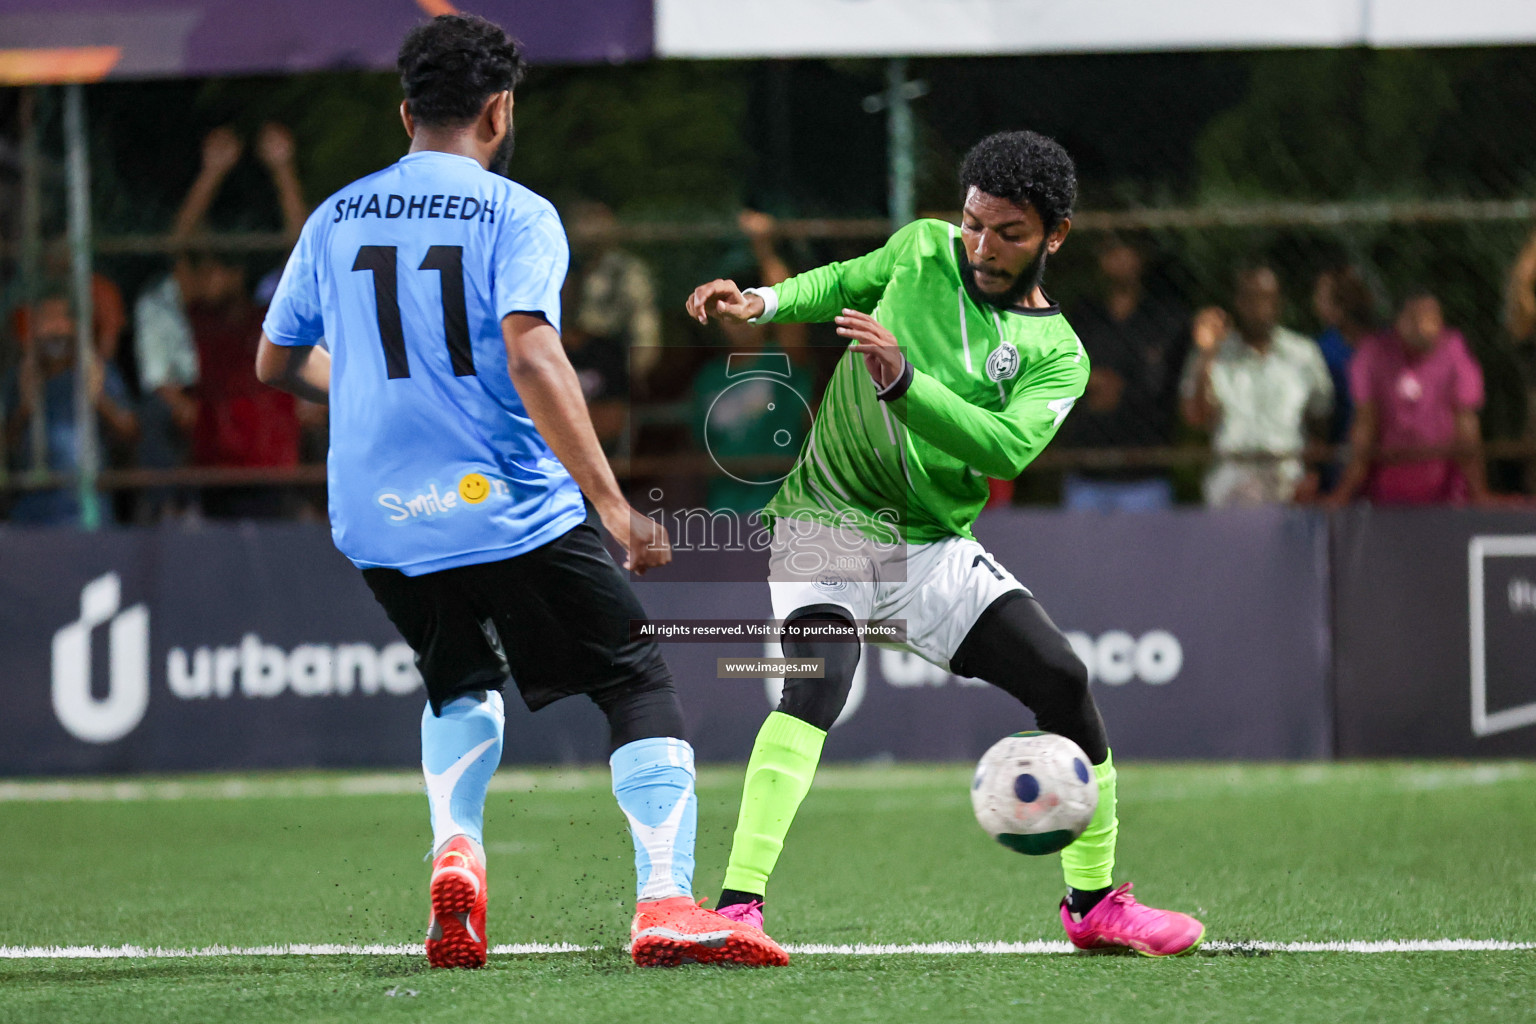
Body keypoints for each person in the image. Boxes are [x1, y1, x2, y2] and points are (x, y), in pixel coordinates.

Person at [254, 13, 786, 971]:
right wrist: (616, 504)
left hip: (378, 519)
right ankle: (666, 900)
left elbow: (275, 361)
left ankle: (456, 848)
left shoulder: (333, 216)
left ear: (406, 111)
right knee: (634, 677)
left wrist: (374, 391)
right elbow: (533, 353)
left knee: (460, 678)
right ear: (499, 110)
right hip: (503, 505)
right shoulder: (517, 213)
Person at [686, 130, 1204, 957]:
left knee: (1064, 681)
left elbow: (1002, 450)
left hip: (929, 544)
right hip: (829, 515)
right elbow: (843, 284)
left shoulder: (1058, 356)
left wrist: (903, 382)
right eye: (974, 224)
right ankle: (735, 910)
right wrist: (764, 301)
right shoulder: (921, 249)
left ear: (1056, 235)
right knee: (820, 679)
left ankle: (1096, 906)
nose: (982, 247)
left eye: (1009, 233)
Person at [690, 210, 813, 516]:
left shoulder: (783, 361)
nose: (737, 317)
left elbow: (790, 310)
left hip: (785, 516)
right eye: (727, 309)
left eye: (745, 305)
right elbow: (700, 455)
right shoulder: (708, 378)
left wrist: (764, 248)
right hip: (722, 519)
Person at [1180, 265, 1333, 506]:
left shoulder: (1303, 354)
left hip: (1288, 474)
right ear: (1238, 302)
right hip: (1233, 475)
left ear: (1278, 302)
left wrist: (1313, 475)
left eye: (1266, 298)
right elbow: (1195, 417)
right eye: (1251, 298)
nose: (1259, 307)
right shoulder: (1215, 355)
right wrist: (1206, 355)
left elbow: (1320, 421)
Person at [1059, 238, 1188, 511]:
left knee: (1146, 554)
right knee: (1083, 554)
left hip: (1146, 475)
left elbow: (1171, 388)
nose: (1117, 258)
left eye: (1124, 249)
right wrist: (1089, 383)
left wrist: (1125, 391)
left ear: (1140, 257)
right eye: (1108, 251)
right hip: (1086, 474)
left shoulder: (1163, 319)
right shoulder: (1083, 316)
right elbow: (1058, 374)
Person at [1328, 290, 1488, 506]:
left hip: (1446, 491)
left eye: (1432, 317)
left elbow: (1466, 424)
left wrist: (1479, 493)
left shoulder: (1455, 350)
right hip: (1385, 493)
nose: (1426, 326)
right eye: (1416, 317)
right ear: (1399, 321)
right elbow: (1365, 425)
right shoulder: (1373, 353)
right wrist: (1344, 492)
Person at [3, 294, 138, 523]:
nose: (56, 328)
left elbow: (132, 434)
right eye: (48, 319)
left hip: (88, 505)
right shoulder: (17, 377)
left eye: (63, 319)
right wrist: (25, 408)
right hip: (31, 507)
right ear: (34, 328)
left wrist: (98, 399)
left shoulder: (99, 371)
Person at [562, 200, 660, 449]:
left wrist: (632, 381)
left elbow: (644, 337)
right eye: (585, 219)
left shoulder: (630, 272)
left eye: (597, 219)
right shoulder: (559, 265)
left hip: (612, 372)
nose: (590, 228)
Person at [1311, 266, 1376, 490]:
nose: (1316, 304)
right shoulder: (1321, 348)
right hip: (1338, 453)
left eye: (1322, 298)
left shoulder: (1382, 346)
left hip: (1376, 450)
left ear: (1340, 306)